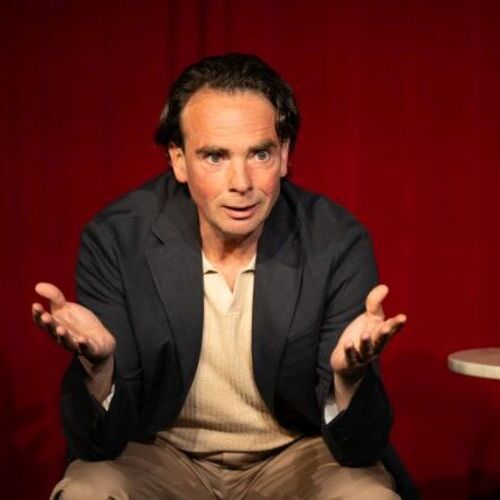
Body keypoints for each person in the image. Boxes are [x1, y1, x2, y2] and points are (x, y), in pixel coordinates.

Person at [32, 53, 407, 499]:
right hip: (160, 453)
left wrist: (348, 380)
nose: (241, 182)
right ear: (178, 160)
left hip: (296, 454)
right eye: (215, 156)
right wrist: (100, 370)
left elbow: (360, 448)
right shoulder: (117, 239)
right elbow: (96, 444)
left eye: (260, 154)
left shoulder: (336, 241)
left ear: (284, 154)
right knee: (88, 491)